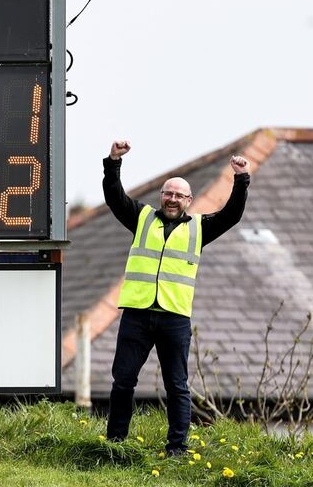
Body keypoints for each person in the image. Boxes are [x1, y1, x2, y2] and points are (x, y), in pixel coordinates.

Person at [103, 140, 250, 455]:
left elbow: (232, 215)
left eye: (178, 195)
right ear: (161, 196)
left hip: (174, 318)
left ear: (189, 200)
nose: (172, 199)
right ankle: (115, 444)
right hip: (137, 314)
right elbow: (115, 198)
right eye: (167, 194)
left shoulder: (200, 228)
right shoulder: (141, 217)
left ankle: (178, 449)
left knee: (177, 387)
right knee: (123, 380)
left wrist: (241, 179)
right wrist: (113, 161)